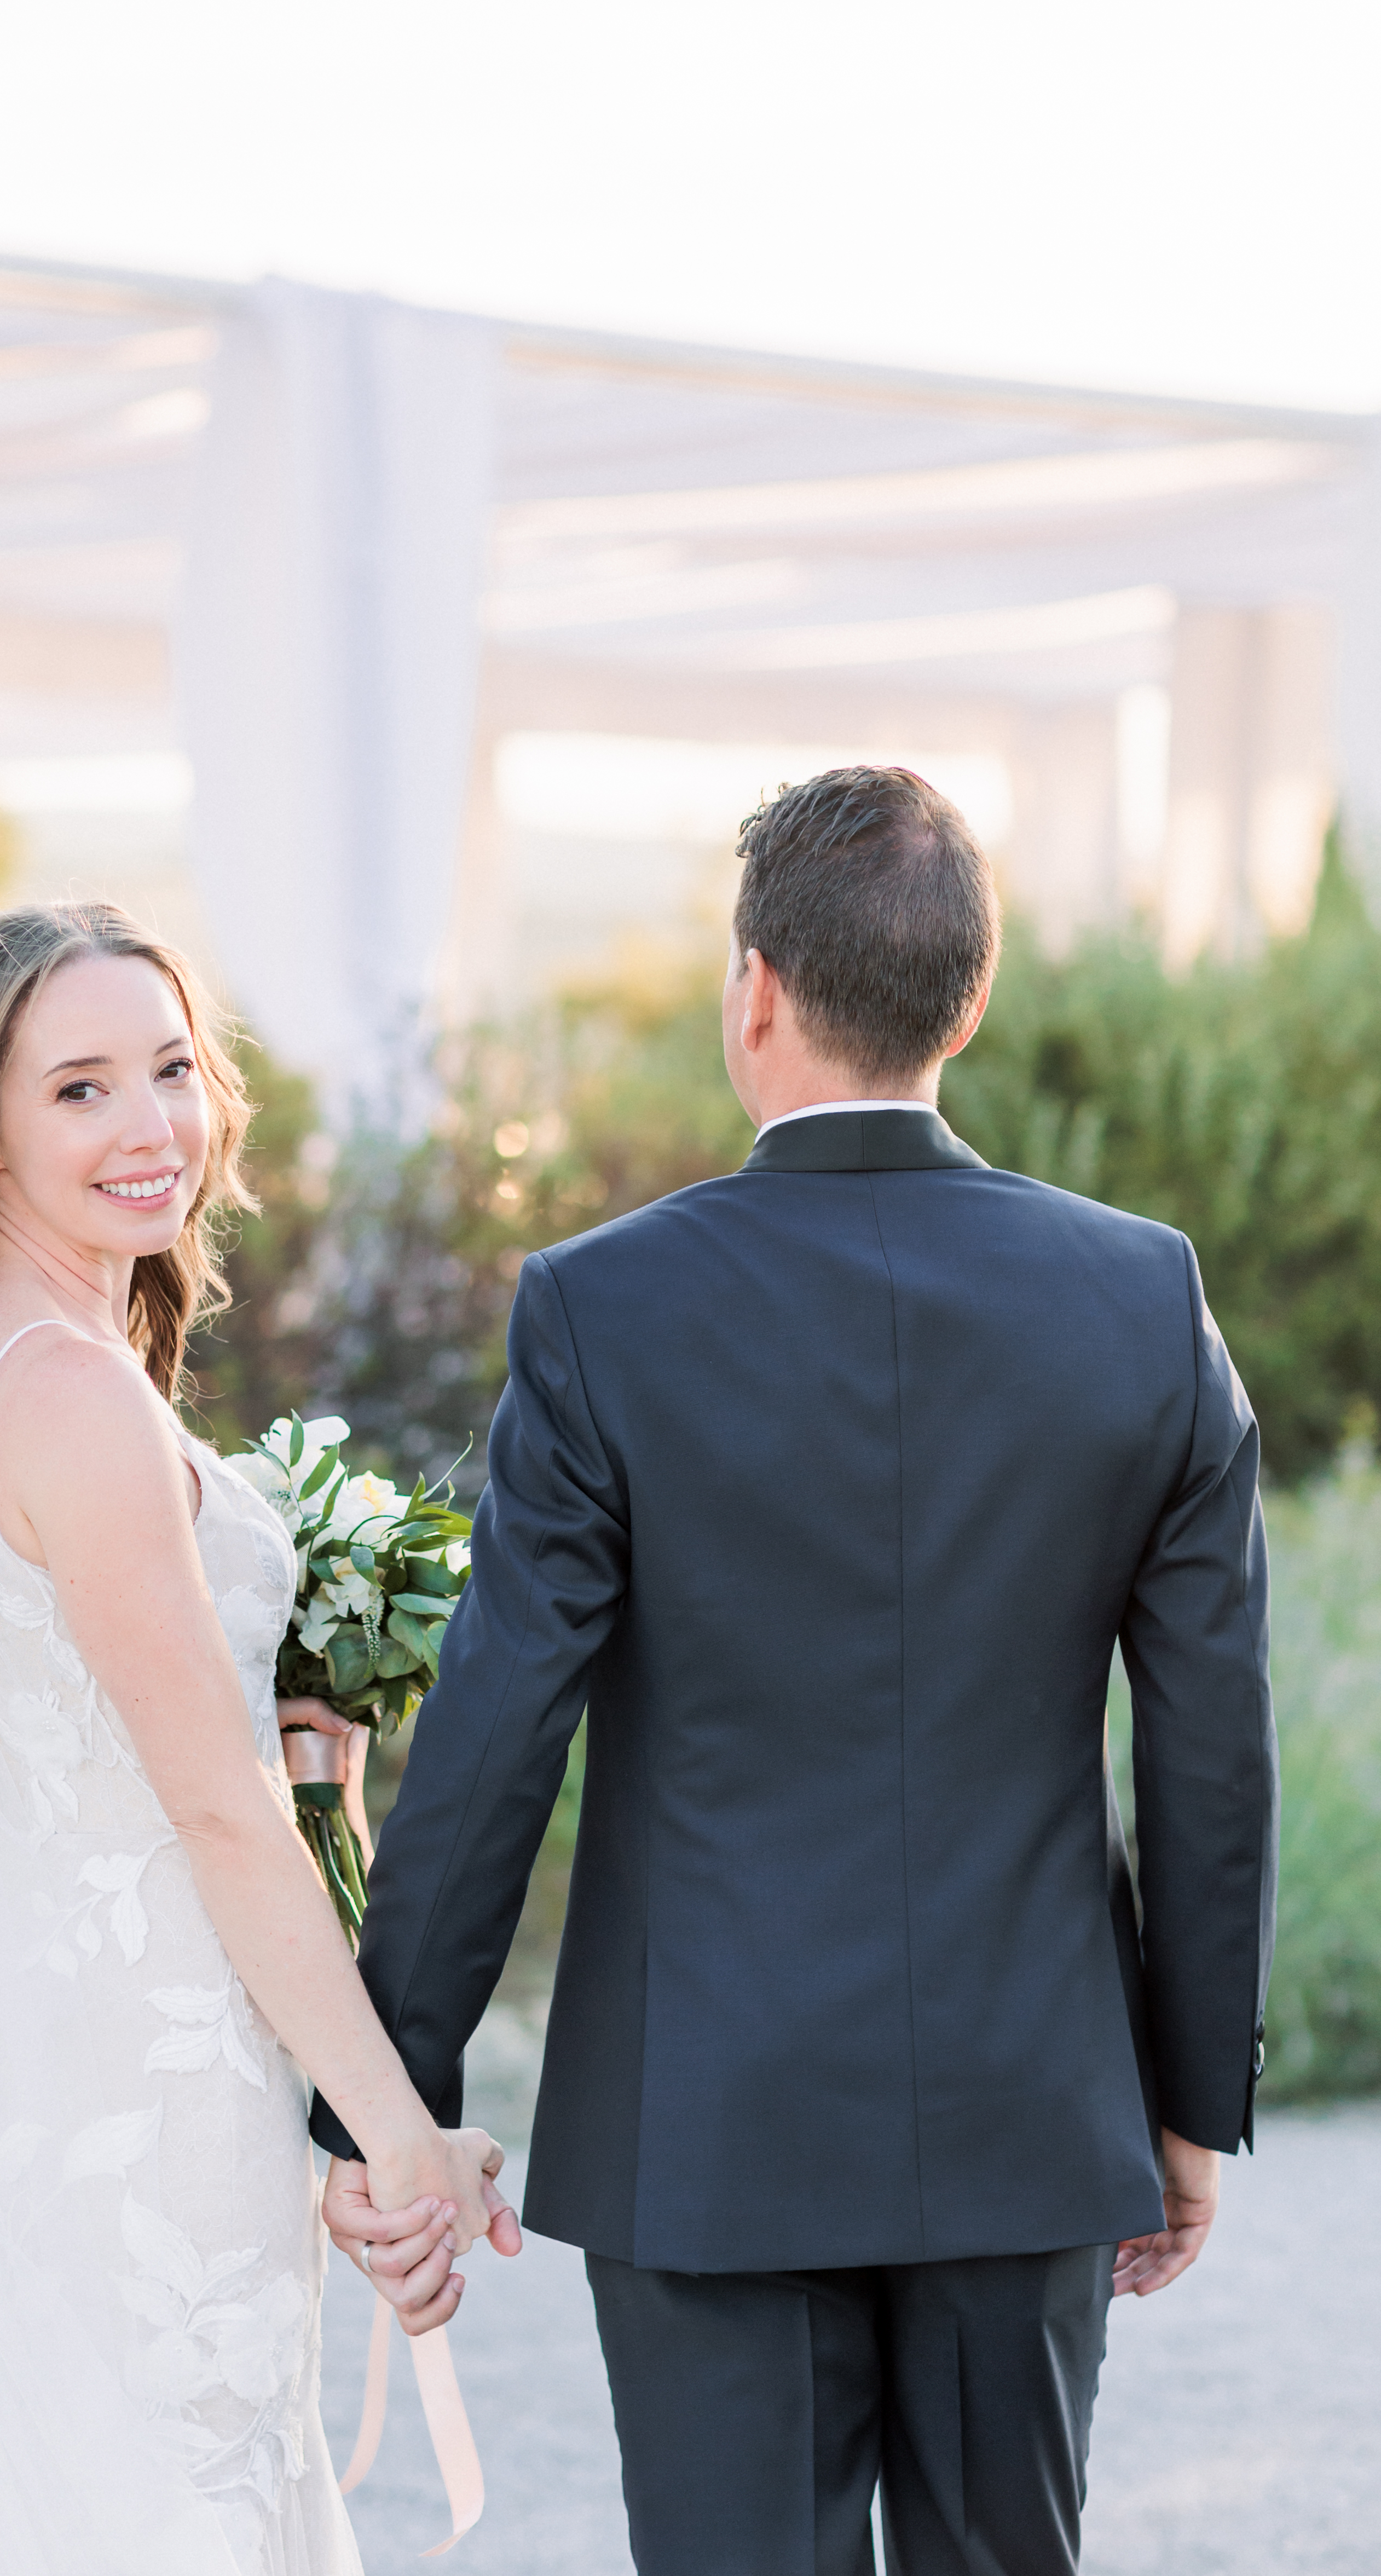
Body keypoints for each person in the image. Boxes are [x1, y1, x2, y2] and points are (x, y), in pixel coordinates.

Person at [315, 766, 1278, 2576]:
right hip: (1025, 2099)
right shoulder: (1144, 1301)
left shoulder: (605, 1311)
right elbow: (1215, 1747)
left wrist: (394, 2090)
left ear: (753, 989)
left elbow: (500, 1725)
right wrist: (1180, 2101)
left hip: (707, 2122)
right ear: (969, 1000)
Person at [0, 900, 517, 2576]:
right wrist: (395, 2131)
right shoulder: (72, 1393)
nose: (150, 1124)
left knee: (86, 2480)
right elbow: (216, 1818)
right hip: (149, 2041)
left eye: (170, 1070)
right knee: (165, 2501)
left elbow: (161, 1752)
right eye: (80, 1089)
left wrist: (309, 1745)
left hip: (63, 2004)